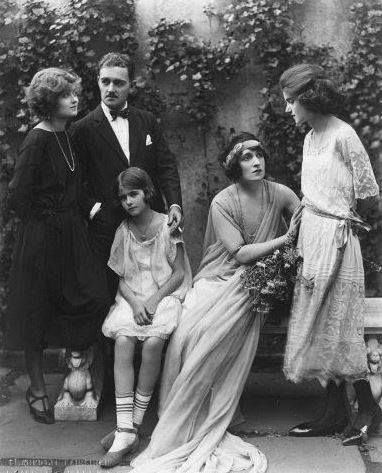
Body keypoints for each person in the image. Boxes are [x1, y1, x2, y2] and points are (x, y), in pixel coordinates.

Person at [128, 133, 302, 473]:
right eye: (247, 157)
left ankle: (212, 409)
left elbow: (305, 220)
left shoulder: (279, 192)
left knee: (217, 327)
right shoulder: (223, 202)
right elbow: (238, 253)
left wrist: (296, 248)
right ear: (234, 166)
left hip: (259, 279)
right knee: (190, 330)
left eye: (258, 154)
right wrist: (285, 239)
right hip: (221, 275)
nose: (256, 161)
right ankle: (187, 413)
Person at [279, 63, 380, 445]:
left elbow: (368, 193)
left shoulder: (344, 135)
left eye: (291, 102)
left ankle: (371, 411)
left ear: (308, 98)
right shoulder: (309, 138)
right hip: (312, 238)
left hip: (339, 239)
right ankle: (334, 412)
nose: (289, 110)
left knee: (341, 327)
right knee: (321, 327)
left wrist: (346, 226)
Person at [5, 68, 109, 424]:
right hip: (41, 240)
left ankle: (78, 373)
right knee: (36, 310)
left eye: (74, 93)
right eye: (66, 95)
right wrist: (51, 219)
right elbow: (18, 197)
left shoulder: (67, 135)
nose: (74, 99)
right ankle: (36, 388)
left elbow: (74, 186)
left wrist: (86, 209)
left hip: (71, 235)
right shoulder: (36, 140)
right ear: (50, 102)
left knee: (93, 296)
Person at [97, 167, 191, 468]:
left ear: (147, 192)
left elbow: (178, 274)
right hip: (132, 296)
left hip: (164, 295)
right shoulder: (123, 231)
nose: (128, 202)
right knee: (123, 339)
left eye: (133, 194)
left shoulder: (167, 226)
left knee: (152, 344)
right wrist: (136, 302)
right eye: (123, 197)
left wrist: (153, 299)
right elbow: (120, 278)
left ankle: (132, 427)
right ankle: (125, 426)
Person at [70, 52, 183, 299]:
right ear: (98, 81)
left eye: (119, 83)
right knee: (110, 296)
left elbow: (166, 166)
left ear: (131, 85)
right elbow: (73, 182)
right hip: (107, 227)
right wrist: (94, 210)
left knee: (156, 288)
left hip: (150, 223)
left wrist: (174, 204)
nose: (111, 88)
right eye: (105, 81)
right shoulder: (82, 129)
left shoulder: (147, 121)